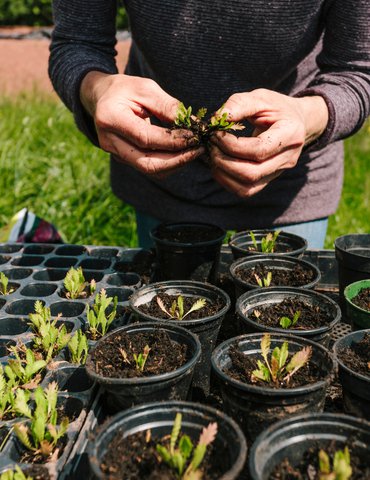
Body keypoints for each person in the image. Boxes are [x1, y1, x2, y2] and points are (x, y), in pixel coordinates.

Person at [49, 1, 370, 249]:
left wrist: (307, 116)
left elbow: (358, 70)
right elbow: (77, 43)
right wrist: (98, 90)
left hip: (288, 176)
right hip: (161, 176)